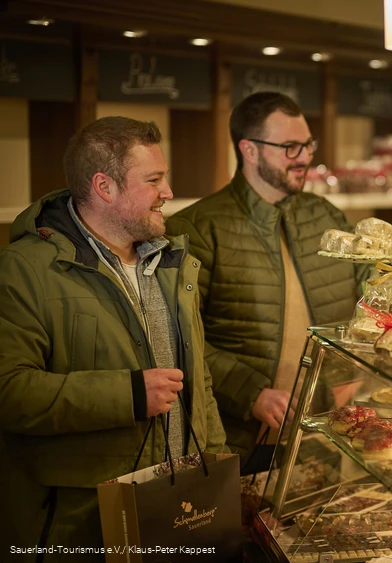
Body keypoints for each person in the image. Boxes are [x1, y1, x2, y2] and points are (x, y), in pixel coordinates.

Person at [165, 92, 392, 466]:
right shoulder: (198, 226)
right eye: (290, 147)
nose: (305, 157)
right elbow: (179, 338)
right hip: (239, 438)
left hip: (326, 427)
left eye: (308, 144)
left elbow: (375, 286)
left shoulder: (326, 216)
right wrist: (251, 393)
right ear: (249, 150)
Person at [0, 117, 229, 559]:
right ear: (105, 187)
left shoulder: (173, 261)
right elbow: (9, 391)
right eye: (154, 180)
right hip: (81, 523)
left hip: (178, 510)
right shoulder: (22, 270)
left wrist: (216, 468)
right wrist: (127, 393)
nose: (169, 192)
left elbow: (198, 383)